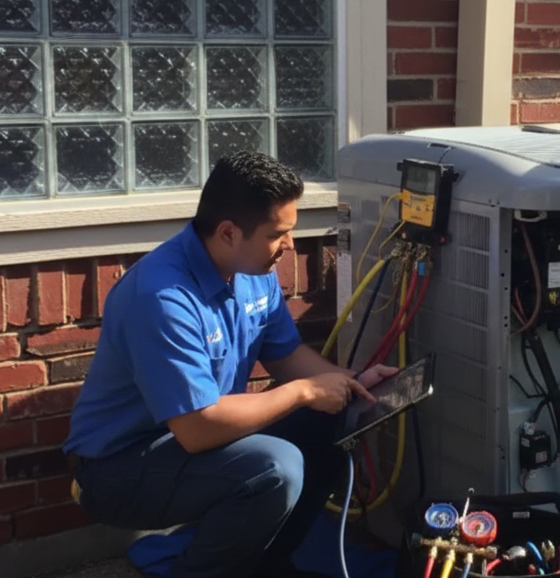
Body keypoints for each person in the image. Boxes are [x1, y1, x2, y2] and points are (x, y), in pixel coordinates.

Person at [63, 151, 398, 578]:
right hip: (119, 467)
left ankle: (270, 567)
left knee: (332, 423)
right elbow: (199, 428)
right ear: (228, 233)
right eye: (279, 233)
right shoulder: (162, 298)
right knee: (274, 469)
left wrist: (351, 385)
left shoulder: (253, 270)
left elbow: (285, 355)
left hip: (190, 442)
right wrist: (302, 393)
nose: (291, 244)